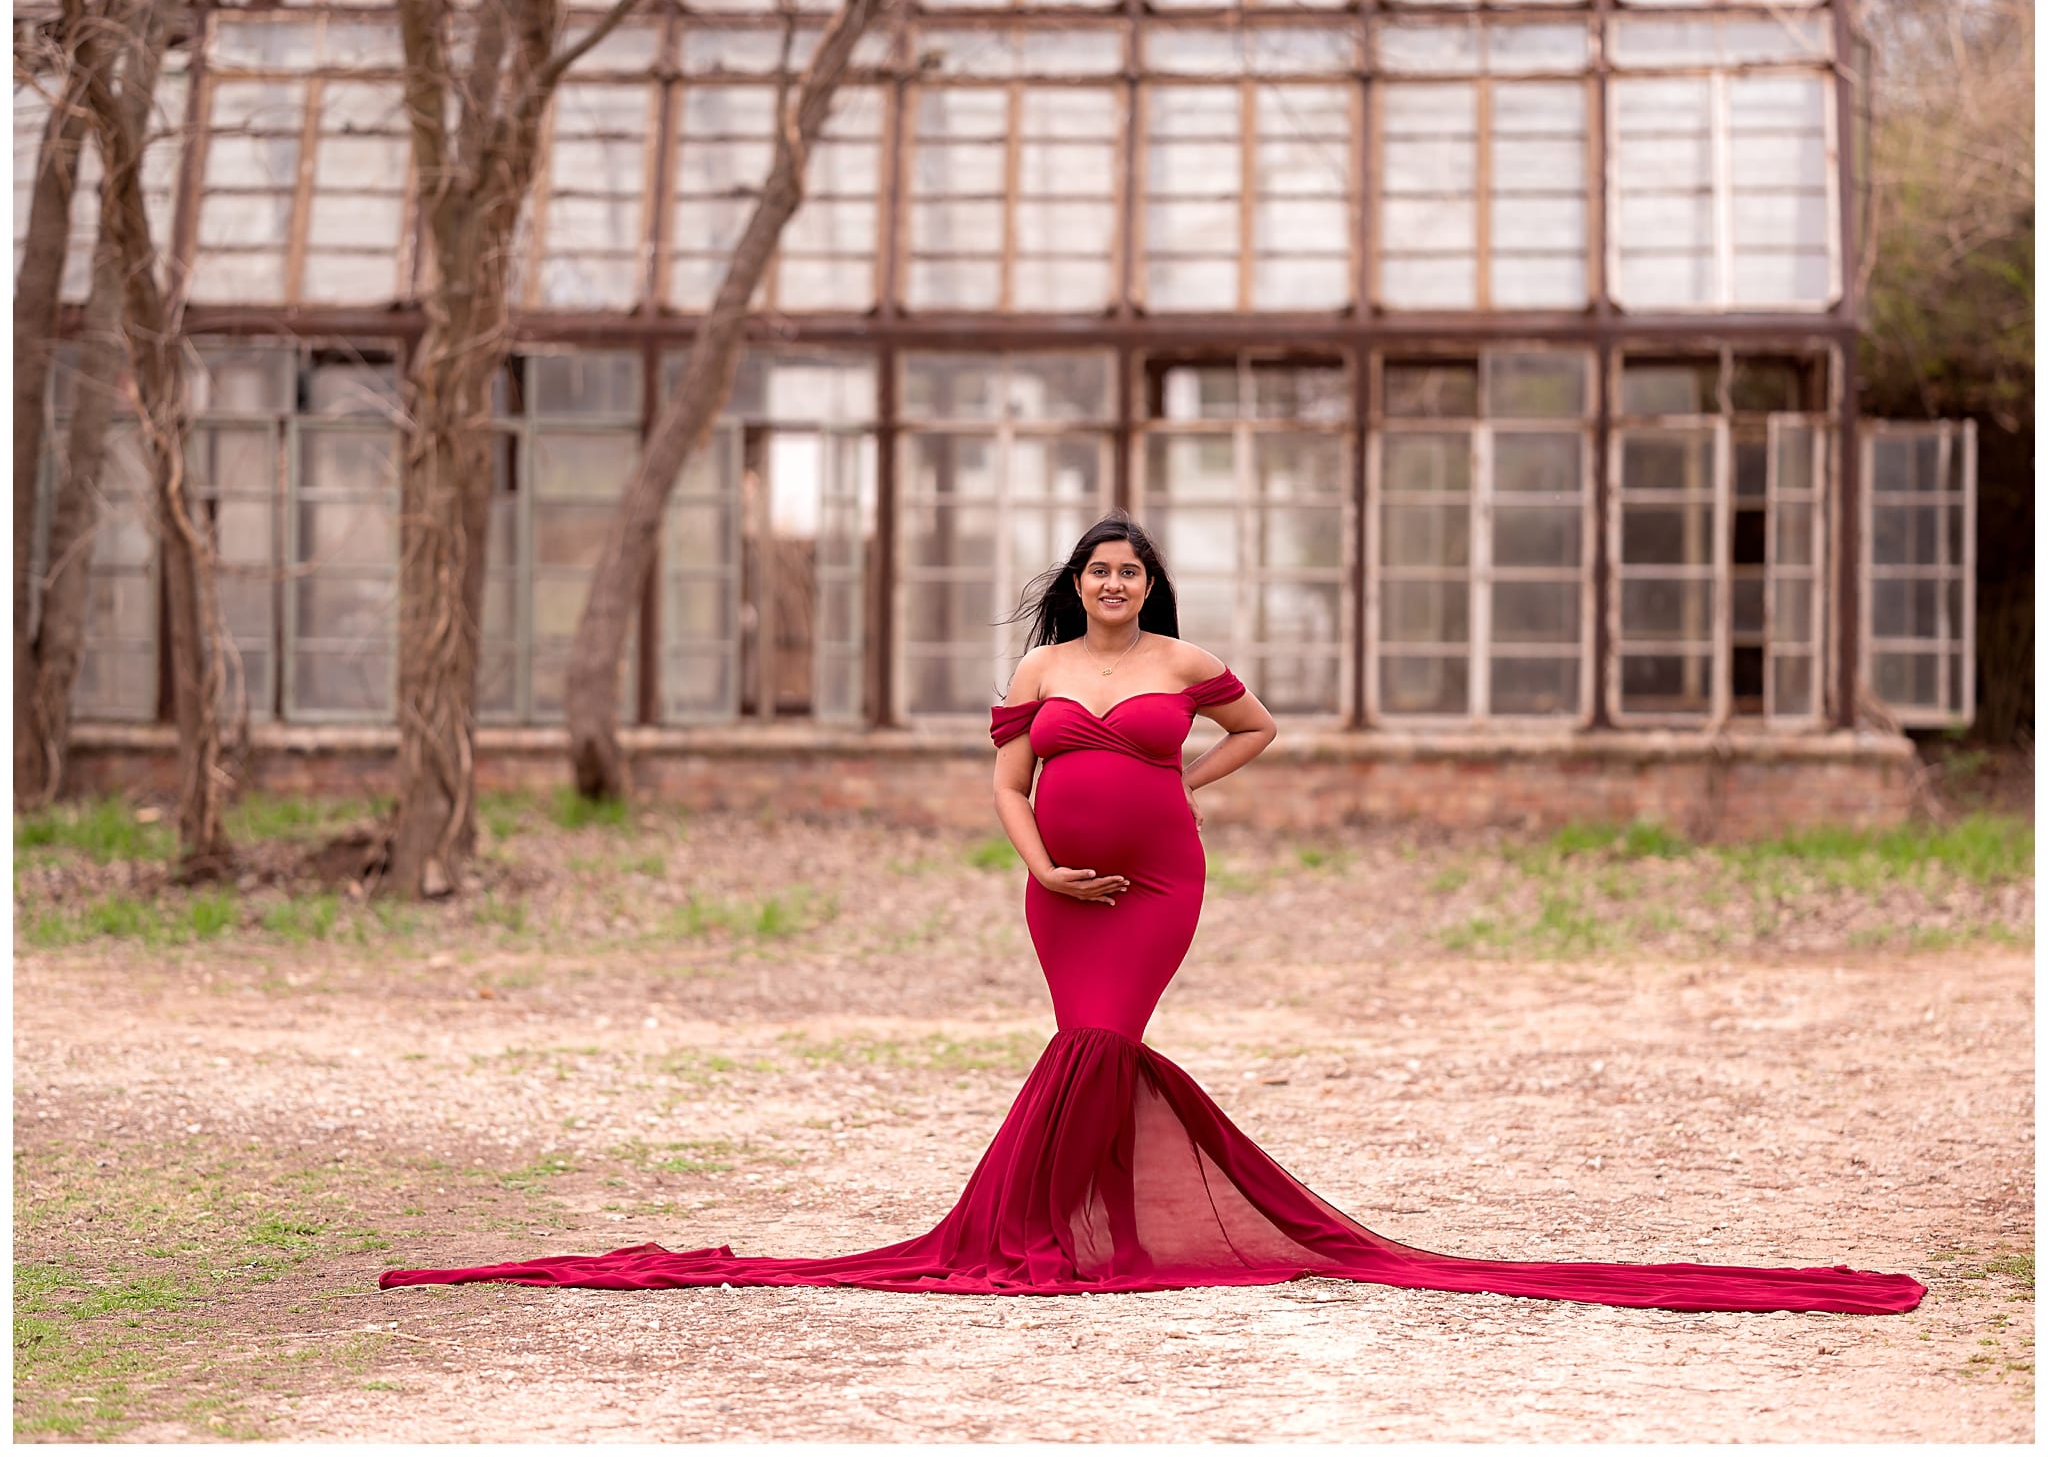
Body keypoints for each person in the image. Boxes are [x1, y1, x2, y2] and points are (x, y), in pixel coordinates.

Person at [381, 513, 1924, 1314]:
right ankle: (1069, 1225)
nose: (1114, 586)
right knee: (1084, 1040)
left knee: (1110, 1038)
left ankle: (1044, 1231)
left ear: (1149, 585)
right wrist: (1040, 861)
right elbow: (999, 782)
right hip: (1058, 892)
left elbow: (1261, 739)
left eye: (1130, 571)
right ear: (1076, 586)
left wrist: (1194, 803)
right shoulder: (1045, 679)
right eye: (1097, 572)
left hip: (1160, 887)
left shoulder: (1188, 670)